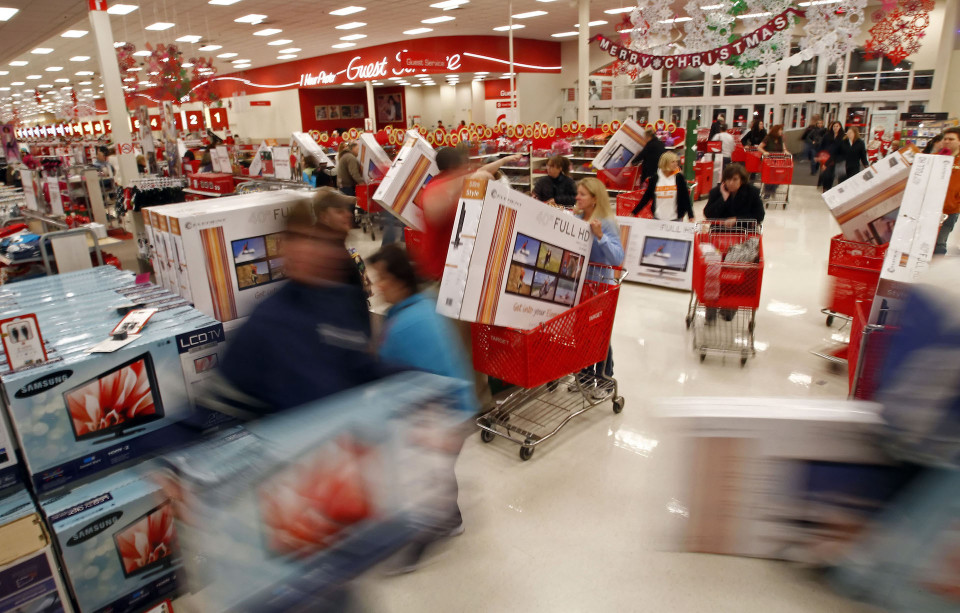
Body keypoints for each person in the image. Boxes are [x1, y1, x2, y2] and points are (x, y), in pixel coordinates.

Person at [213, 189, 387, 416]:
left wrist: (417, 379)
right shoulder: (267, 322)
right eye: (305, 241)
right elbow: (220, 405)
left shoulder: (343, 301)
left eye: (326, 244)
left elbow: (361, 366)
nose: (316, 252)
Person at [367, 244, 476, 574]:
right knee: (438, 472)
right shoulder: (424, 307)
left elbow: (385, 378)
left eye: (382, 278)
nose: (377, 286)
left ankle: (413, 546)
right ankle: (451, 519)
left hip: (444, 416)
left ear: (399, 280)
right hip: (458, 408)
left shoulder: (404, 325)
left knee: (415, 481)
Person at [573, 177, 624, 390]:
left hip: (600, 285)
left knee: (599, 331)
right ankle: (584, 376)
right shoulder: (575, 217)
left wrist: (600, 236)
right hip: (579, 285)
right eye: (578, 193)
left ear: (595, 199)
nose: (577, 197)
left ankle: (605, 379)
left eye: (582, 194)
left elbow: (617, 258)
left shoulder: (606, 222)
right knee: (581, 332)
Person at [630, 152, 694, 221]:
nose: (676, 164)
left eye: (676, 161)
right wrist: (634, 212)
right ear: (665, 163)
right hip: (658, 218)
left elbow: (685, 197)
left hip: (676, 218)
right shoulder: (654, 179)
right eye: (673, 162)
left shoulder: (679, 178)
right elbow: (646, 197)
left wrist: (691, 215)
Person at [934, 127, 960, 255]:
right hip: (929, 207)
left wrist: (956, 203)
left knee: (939, 242)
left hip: (949, 211)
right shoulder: (935, 158)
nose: (947, 141)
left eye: (951, 139)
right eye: (945, 139)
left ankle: (935, 272)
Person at [758, 124, 785, 199]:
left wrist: (786, 152)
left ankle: (772, 190)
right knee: (769, 177)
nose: (781, 131)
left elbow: (783, 148)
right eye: (780, 130)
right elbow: (759, 147)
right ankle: (767, 192)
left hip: (778, 161)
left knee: (779, 177)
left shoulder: (780, 138)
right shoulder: (768, 138)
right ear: (776, 130)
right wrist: (764, 152)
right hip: (768, 161)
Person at [819, 121, 845, 191]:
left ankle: (834, 189)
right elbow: (822, 146)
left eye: (837, 126)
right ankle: (826, 189)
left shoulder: (843, 137)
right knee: (827, 174)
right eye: (834, 126)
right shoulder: (827, 135)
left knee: (837, 176)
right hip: (827, 158)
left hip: (838, 158)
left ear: (840, 127)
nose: (835, 128)